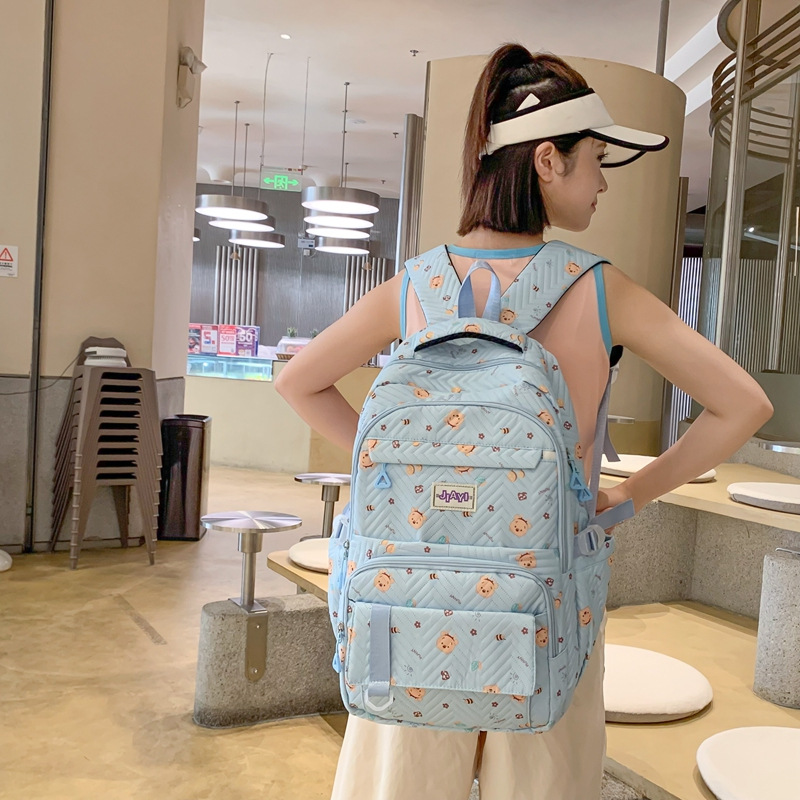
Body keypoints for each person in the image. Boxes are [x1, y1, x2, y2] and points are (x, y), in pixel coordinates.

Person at [276, 44, 772, 800]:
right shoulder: (599, 289)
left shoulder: (414, 287)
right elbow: (744, 403)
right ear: (547, 160)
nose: (603, 182)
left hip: (412, 598)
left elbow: (298, 381)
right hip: (547, 599)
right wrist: (627, 496)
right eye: (595, 160)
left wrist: (404, 472)